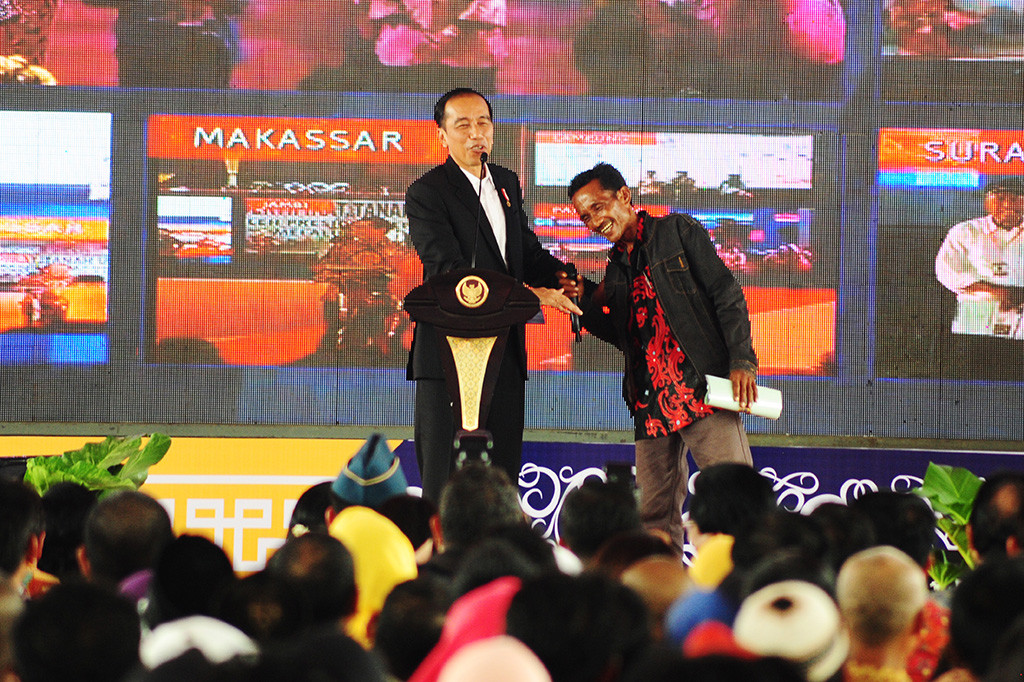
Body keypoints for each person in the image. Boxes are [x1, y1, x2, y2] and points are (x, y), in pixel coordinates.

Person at [567, 162, 759, 552]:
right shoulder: (616, 268)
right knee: (653, 517)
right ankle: (660, 599)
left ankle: (744, 592)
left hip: (702, 391)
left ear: (624, 196)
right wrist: (581, 302)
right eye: (584, 216)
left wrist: (742, 360)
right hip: (651, 405)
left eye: (599, 206)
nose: (593, 220)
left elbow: (726, 294)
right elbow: (623, 337)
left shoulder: (677, 231)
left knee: (736, 503)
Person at [405, 87, 580, 503]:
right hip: (448, 357)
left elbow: (526, 252)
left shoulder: (504, 182)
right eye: (462, 125)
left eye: (482, 122)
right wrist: (530, 295)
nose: (475, 133)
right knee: (445, 486)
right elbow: (449, 272)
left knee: (500, 481)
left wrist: (565, 278)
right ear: (442, 135)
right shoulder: (428, 192)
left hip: (503, 354)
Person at [935, 177, 1024, 380]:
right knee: (974, 385)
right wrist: (996, 291)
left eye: (1016, 200)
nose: (1008, 205)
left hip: (1021, 318)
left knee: (1017, 389)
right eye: (1000, 198)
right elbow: (947, 272)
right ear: (987, 202)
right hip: (977, 317)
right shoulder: (965, 231)